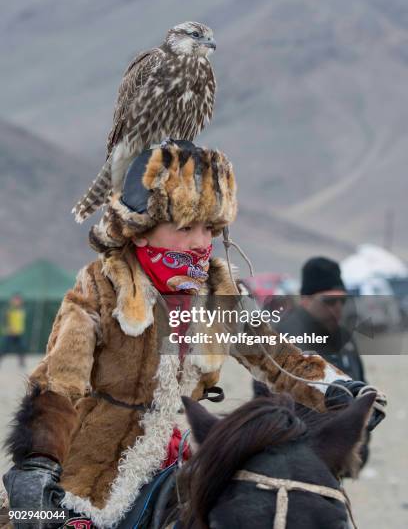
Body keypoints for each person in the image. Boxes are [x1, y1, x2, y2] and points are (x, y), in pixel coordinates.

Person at [2, 142, 385, 528]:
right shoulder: (101, 287)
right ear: (140, 231)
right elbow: (59, 383)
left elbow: (278, 358)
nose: (202, 243)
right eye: (186, 227)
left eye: (211, 228)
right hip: (88, 470)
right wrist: (38, 461)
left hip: (181, 457)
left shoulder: (218, 293)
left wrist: (338, 388)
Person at [277, 256, 365, 381]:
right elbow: (268, 395)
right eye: (330, 301)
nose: (338, 307)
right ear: (306, 300)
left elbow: (361, 381)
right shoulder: (284, 337)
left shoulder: (345, 338)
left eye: (343, 301)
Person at [0, 294, 26, 368]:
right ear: (12, 301)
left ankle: (22, 363)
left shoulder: (21, 310)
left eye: (19, 300)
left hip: (19, 333)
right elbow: (5, 321)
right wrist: (9, 329)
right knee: (4, 348)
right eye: (16, 300)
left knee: (22, 347)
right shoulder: (9, 309)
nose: (17, 302)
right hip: (9, 333)